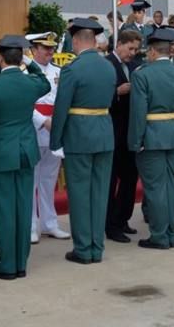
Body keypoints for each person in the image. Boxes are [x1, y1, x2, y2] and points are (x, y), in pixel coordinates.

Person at [0, 35, 50, 280]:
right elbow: (44, 82)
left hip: (1, 153)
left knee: (4, 210)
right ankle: (21, 263)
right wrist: (28, 59)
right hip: (26, 151)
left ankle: (7, 265)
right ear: (20, 58)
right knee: (23, 207)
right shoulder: (31, 83)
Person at [50, 18, 117, 264]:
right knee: (100, 193)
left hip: (79, 135)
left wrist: (55, 141)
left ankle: (83, 248)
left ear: (76, 40)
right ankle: (97, 247)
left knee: (79, 194)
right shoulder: (108, 67)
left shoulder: (72, 69)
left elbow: (62, 107)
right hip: (104, 133)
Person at [128, 28, 174, 249]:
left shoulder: (142, 74)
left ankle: (159, 235)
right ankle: (171, 232)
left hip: (152, 136)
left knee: (156, 188)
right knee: (170, 185)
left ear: (152, 51)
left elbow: (138, 113)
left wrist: (135, 141)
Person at [27, 32, 71, 244]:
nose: (50, 52)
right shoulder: (25, 71)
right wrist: (43, 120)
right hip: (33, 129)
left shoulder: (58, 71)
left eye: (51, 48)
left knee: (49, 180)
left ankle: (49, 223)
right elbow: (24, 101)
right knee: (31, 181)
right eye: (45, 48)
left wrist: (58, 122)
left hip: (54, 130)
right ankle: (31, 226)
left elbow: (62, 100)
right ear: (34, 50)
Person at [105, 30, 143, 243]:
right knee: (111, 181)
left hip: (131, 130)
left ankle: (123, 219)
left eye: (136, 49)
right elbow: (97, 96)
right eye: (130, 48)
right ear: (119, 44)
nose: (133, 53)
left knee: (130, 179)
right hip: (112, 130)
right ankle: (111, 225)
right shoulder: (107, 64)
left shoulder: (136, 66)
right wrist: (117, 92)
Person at [121, 0, 155, 64]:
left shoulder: (150, 29)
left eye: (139, 13)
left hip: (147, 61)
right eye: (135, 12)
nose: (137, 15)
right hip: (132, 60)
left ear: (144, 13)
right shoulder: (127, 28)